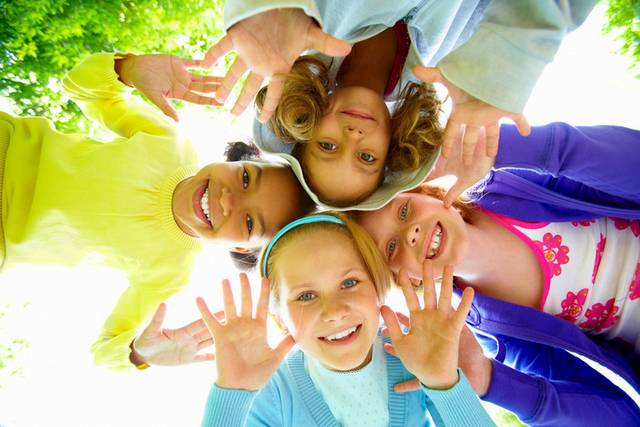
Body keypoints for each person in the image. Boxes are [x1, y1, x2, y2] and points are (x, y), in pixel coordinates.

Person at [0, 52, 314, 370]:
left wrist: (140, 354)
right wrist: (128, 69)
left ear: (241, 247)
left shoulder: (169, 271)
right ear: (239, 161)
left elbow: (105, 351)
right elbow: (81, 88)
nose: (227, 200)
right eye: (246, 177)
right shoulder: (168, 141)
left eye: (248, 222)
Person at [353, 121, 640, 425]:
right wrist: (489, 380)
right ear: (407, 280)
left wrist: (497, 146)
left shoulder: (516, 187)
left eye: (403, 211)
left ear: (429, 194)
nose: (410, 233)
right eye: (392, 248)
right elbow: (624, 419)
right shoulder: (501, 333)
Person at [194, 0, 595, 209]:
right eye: (366, 157)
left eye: (328, 147)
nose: (353, 136)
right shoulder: (456, 56)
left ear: (308, 123)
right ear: (392, 148)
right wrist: (505, 63)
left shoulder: (308, 18)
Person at [197, 213, 496, 426]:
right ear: (280, 320)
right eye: (305, 296)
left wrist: (444, 383)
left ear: (378, 287)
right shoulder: (274, 391)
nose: (335, 311)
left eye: (350, 283)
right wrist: (232, 394)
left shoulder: (413, 353)